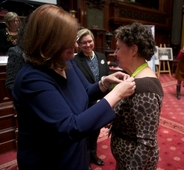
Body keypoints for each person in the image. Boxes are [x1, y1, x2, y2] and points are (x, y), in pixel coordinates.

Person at [12, 4, 136, 170]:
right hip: (50, 160)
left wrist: (105, 82)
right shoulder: (32, 79)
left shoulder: (66, 61)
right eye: (69, 41)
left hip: (75, 153)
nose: (76, 46)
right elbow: (71, 127)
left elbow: (84, 92)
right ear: (49, 41)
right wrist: (117, 95)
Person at [109, 22, 164, 170]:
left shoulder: (145, 88)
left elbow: (146, 144)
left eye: (118, 48)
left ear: (133, 49)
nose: (115, 53)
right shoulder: (134, 78)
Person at [73, 28, 110, 170]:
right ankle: (85, 159)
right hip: (86, 103)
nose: (87, 45)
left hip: (101, 101)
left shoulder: (101, 57)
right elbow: (78, 86)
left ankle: (93, 155)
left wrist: (104, 99)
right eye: (83, 43)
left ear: (93, 41)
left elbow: (107, 77)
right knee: (86, 133)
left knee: (95, 131)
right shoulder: (75, 60)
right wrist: (94, 101)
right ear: (78, 44)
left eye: (89, 41)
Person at [5, 15, 29, 93]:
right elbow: (10, 85)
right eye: (13, 21)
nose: (15, 23)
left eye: (17, 20)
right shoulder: (16, 52)